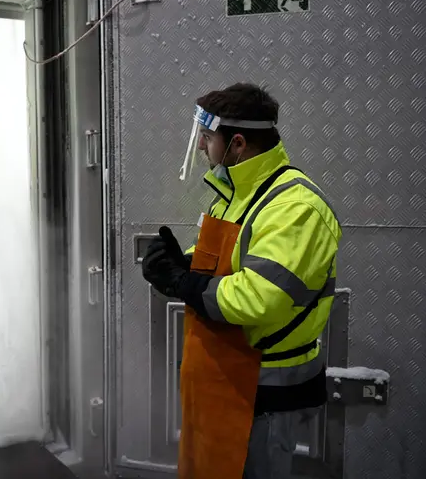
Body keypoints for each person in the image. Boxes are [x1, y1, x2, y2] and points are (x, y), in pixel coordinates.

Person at [141, 83, 341, 479]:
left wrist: (184, 284)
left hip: (261, 390)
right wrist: (179, 265)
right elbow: (227, 265)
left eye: (207, 137)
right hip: (223, 380)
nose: (200, 146)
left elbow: (259, 297)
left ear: (236, 144)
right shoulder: (235, 195)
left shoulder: (295, 207)